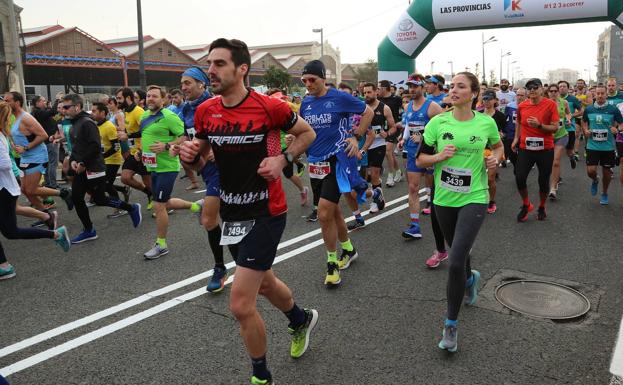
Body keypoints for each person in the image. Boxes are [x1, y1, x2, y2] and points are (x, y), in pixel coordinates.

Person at [180, 38, 318, 385]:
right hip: (233, 212)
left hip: (267, 211)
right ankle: (300, 319)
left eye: (220, 64)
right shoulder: (205, 111)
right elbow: (203, 154)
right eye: (210, 63)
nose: (211, 70)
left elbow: (306, 133)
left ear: (241, 69)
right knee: (266, 283)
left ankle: (261, 376)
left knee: (241, 304)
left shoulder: (270, 107)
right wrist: (190, 157)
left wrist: (283, 158)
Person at [416, 71, 503, 353]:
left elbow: (498, 147)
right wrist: (439, 157)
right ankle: (470, 279)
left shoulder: (486, 123)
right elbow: (419, 158)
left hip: (474, 197)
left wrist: (496, 161)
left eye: (460, 86)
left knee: (454, 260)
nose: (453, 90)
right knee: (458, 250)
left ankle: (450, 325)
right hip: (443, 198)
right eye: (452, 86)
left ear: (473, 93)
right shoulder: (437, 123)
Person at [300, 59, 378, 286]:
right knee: (333, 212)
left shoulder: (339, 97)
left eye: (312, 79)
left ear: (323, 78)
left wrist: (356, 135)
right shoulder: (306, 103)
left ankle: (331, 264)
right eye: (304, 80)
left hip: (338, 159)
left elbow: (368, 113)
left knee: (324, 213)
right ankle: (349, 249)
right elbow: (304, 128)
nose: (308, 84)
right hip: (315, 163)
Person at [0, 100, 71, 280]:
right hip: (7, 185)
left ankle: (54, 228)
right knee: (10, 229)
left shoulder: (10, 128)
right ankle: (4, 265)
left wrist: (25, 148)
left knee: (13, 228)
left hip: (6, 188)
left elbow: (5, 163)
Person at [61, 94, 143, 243]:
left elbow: (94, 146)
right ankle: (89, 230)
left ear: (77, 107)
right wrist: (73, 161)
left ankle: (130, 208)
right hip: (82, 167)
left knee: (97, 198)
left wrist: (83, 163)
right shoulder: (75, 123)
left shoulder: (87, 123)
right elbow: (76, 149)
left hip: (94, 167)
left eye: (66, 107)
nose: (63, 110)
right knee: (81, 198)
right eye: (62, 107)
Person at [177, 65, 228, 292]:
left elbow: (235, 132)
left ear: (201, 84)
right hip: (206, 170)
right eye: (182, 84)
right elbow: (185, 137)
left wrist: (220, 148)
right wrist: (175, 147)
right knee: (222, 218)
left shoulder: (218, 104)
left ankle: (220, 267)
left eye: (188, 83)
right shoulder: (186, 110)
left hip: (226, 168)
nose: (183, 87)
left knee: (210, 220)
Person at [138, 85, 200, 259]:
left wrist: (166, 146)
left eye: (154, 96)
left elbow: (185, 137)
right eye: (148, 96)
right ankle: (196, 206)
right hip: (152, 165)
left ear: (163, 99)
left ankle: (161, 244)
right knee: (164, 203)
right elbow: (146, 137)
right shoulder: (144, 115)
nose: (150, 99)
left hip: (167, 166)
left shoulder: (169, 116)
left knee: (158, 205)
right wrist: (140, 151)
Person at [4, 91, 73, 212]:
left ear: (17, 102)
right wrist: (15, 145)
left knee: (31, 189)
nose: (5, 103)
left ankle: (64, 193)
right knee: (25, 190)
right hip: (25, 157)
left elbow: (43, 135)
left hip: (37, 156)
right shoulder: (14, 117)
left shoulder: (26, 118)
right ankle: (46, 216)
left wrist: (26, 147)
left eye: (7, 100)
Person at [397, 74, 442, 239]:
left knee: (436, 188)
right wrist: (403, 139)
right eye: (410, 86)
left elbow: (444, 132)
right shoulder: (409, 106)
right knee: (413, 188)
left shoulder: (433, 107)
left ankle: (443, 219)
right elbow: (409, 126)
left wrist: (423, 137)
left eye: (415, 86)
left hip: (429, 153)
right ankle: (415, 226)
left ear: (423, 88)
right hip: (412, 152)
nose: (412, 89)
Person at [511, 78, 559, 222]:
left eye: (535, 87)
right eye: (529, 88)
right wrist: (516, 139)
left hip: (545, 148)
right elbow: (519, 123)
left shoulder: (550, 105)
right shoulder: (522, 106)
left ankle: (542, 206)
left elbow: (555, 127)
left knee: (543, 181)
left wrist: (539, 126)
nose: (531, 90)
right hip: (526, 148)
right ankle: (526, 204)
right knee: (519, 177)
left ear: (541, 89)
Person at [582, 84, 623, 205]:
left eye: (602, 93)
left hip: (608, 146)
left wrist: (618, 129)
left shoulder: (613, 109)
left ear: (606, 95)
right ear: (595, 94)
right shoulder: (589, 109)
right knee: (590, 171)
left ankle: (604, 193)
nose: (600, 96)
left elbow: (621, 123)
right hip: (592, 145)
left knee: (607, 173)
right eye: (598, 93)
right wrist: (585, 130)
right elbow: (584, 121)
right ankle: (595, 180)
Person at [116, 87, 152, 208]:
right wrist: (122, 132)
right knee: (125, 178)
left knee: (148, 180)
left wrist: (128, 135)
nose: (118, 101)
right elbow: (130, 129)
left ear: (128, 98)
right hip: (133, 151)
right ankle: (149, 193)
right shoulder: (126, 111)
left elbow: (146, 131)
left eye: (119, 98)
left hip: (143, 150)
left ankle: (159, 202)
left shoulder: (139, 111)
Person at [91, 102, 128, 218]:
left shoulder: (109, 126)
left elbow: (116, 147)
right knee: (101, 183)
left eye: (94, 111)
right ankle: (123, 189)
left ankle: (120, 208)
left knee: (106, 185)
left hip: (113, 160)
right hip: (103, 161)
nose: (92, 113)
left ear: (102, 113)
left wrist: (103, 156)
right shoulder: (96, 126)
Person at [363, 82, 396, 210]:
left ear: (376, 92)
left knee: (374, 173)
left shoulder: (384, 108)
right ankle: (378, 189)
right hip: (364, 145)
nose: (366, 95)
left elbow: (393, 127)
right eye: (364, 92)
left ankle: (376, 202)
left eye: (369, 92)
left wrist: (386, 133)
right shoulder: (362, 107)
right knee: (368, 175)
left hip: (378, 144)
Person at [481, 89, 506, 213]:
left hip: (493, 150)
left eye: (489, 99)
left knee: (490, 178)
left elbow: (505, 132)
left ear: (495, 100)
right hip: (480, 149)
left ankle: (491, 201)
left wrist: (502, 135)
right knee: (477, 176)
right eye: (484, 98)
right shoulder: (477, 114)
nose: (486, 101)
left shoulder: (500, 116)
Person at [546, 84, 570, 200]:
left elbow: (568, 113)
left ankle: (553, 188)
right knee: (548, 163)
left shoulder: (564, 102)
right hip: (547, 136)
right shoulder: (544, 103)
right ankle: (556, 177)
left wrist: (569, 119)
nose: (554, 93)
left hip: (561, 135)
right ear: (548, 92)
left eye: (556, 91)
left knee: (556, 161)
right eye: (551, 91)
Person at [377, 80, 403, 187]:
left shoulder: (396, 99)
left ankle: (390, 176)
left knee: (388, 151)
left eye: (379, 88)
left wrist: (402, 121)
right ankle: (398, 172)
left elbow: (405, 109)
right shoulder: (378, 99)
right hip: (382, 129)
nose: (377, 90)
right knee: (390, 154)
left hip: (394, 128)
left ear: (384, 88)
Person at [31, 95, 60, 189]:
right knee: (53, 163)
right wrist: (57, 99)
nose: (45, 102)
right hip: (50, 141)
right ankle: (52, 183)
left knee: (48, 163)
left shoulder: (40, 113)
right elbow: (53, 112)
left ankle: (48, 182)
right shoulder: (38, 112)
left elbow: (52, 116)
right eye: (43, 101)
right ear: (37, 103)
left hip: (46, 141)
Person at [502, 87, 526, 171]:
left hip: (524, 133)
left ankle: (520, 168)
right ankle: (516, 166)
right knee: (511, 154)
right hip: (511, 133)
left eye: (522, 95)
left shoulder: (529, 106)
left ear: (526, 96)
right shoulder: (510, 106)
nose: (519, 97)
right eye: (518, 95)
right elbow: (504, 119)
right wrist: (503, 131)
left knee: (522, 154)